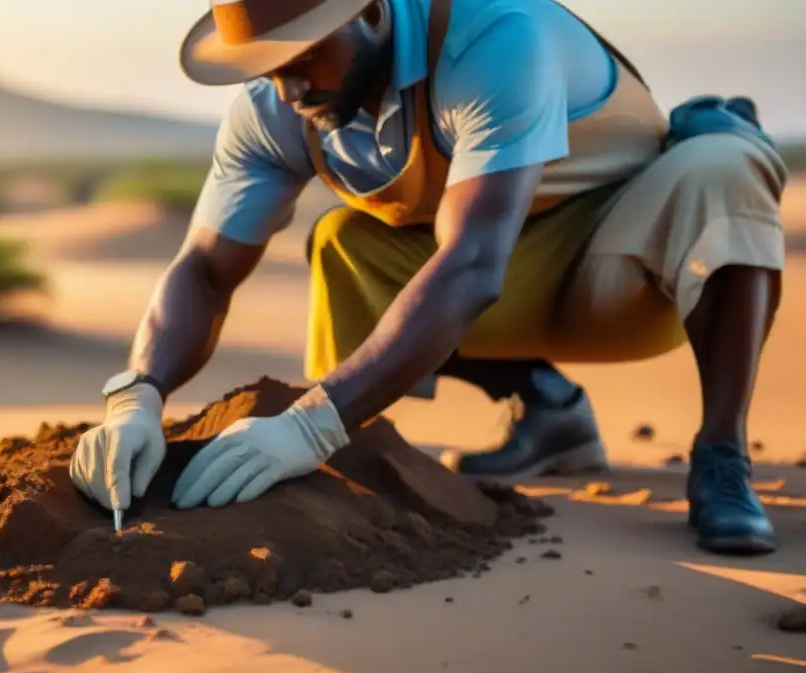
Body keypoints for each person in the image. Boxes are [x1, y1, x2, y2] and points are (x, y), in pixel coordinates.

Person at [69, 0, 788, 555]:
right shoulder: (274, 109)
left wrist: (312, 426)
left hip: (630, 270)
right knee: (348, 242)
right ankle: (546, 404)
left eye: (303, 54)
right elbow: (203, 267)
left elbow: (473, 264)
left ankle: (722, 454)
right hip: (504, 273)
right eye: (263, 63)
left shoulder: (492, 40)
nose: (287, 85)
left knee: (721, 170)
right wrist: (138, 392)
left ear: (373, 13)